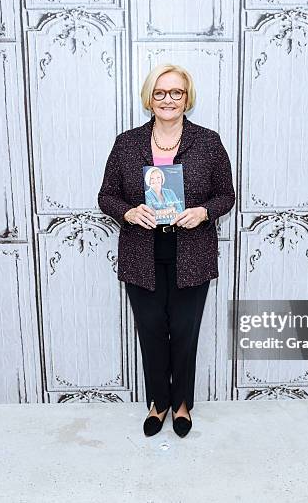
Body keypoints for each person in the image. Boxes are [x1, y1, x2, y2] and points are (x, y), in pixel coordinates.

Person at [97, 63, 235, 437]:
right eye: (160, 93)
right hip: (142, 253)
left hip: (192, 253)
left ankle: (182, 404)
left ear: (187, 98)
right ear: (149, 98)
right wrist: (128, 211)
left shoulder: (208, 141)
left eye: (176, 92)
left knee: (185, 331)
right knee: (152, 329)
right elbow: (105, 196)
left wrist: (204, 212)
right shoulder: (127, 143)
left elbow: (227, 195)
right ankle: (158, 403)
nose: (168, 100)